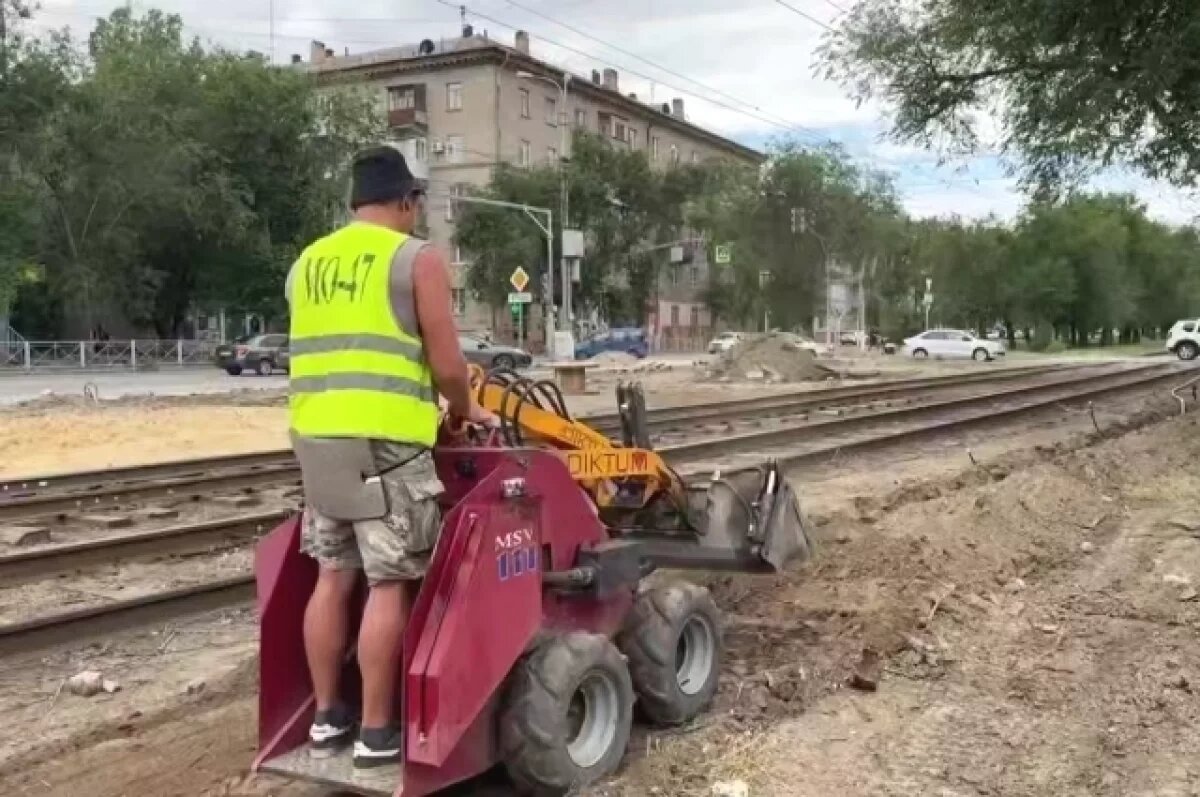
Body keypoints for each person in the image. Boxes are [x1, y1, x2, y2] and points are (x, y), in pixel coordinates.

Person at [284, 145, 495, 768]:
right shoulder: (415, 258)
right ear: (406, 202)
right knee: (390, 580)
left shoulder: (307, 264)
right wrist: (468, 410)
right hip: (389, 448)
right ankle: (378, 733)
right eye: (416, 205)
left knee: (331, 575)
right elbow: (450, 367)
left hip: (319, 442)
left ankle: (327, 720)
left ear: (354, 203)